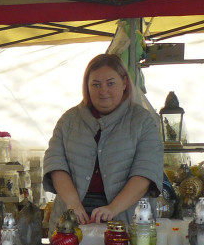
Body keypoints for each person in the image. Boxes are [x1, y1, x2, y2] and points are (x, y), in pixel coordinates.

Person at [43, 53, 164, 228]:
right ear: (87, 86)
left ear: (124, 83)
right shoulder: (68, 121)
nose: (103, 91)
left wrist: (113, 209)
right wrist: (73, 204)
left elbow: (146, 172)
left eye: (111, 83)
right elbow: (55, 164)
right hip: (72, 219)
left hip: (128, 217)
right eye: (96, 84)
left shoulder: (143, 121)